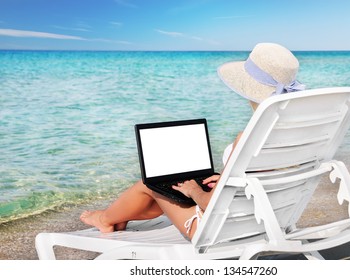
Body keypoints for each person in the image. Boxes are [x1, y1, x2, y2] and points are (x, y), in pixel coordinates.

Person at [80, 42, 304, 240]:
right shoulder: (298, 135)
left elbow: (209, 205)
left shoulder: (247, 138)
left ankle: (104, 219)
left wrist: (193, 191)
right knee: (167, 187)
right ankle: (116, 220)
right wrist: (226, 180)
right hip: (270, 219)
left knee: (152, 183)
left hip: (220, 229)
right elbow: (264, 177)